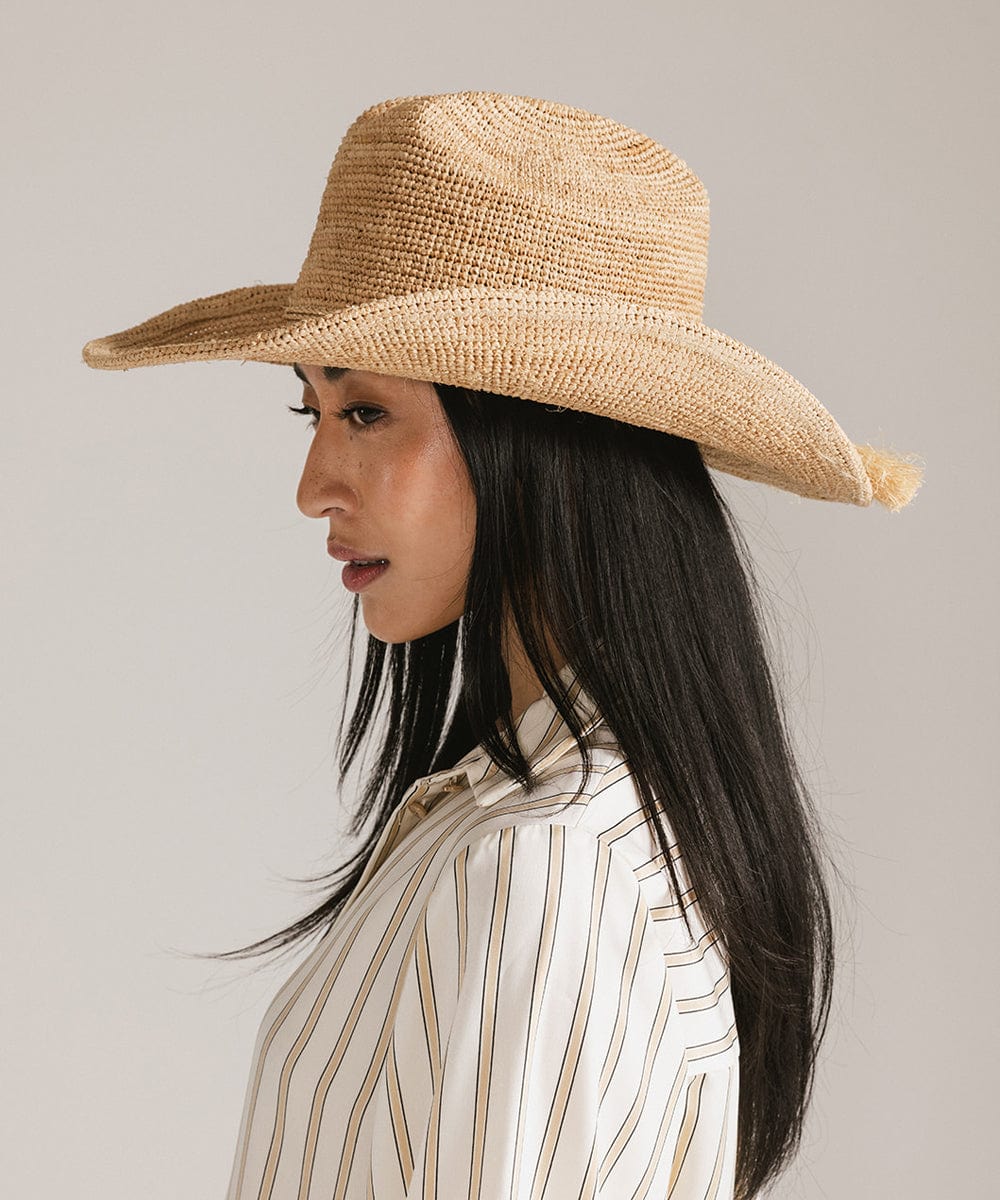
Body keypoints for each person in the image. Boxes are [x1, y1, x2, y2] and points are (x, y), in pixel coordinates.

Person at [81, 91, 924, 1200]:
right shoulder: (533, 825)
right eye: (311, 412)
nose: (311, 487)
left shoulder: (542, 862)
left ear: (534, 433)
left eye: (365, 412)